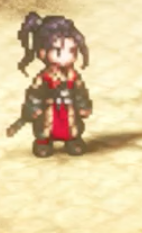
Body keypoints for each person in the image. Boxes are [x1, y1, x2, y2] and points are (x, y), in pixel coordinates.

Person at [8, 12, 92, 157]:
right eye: (58, 51)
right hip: (49, 109)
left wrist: (84, 106)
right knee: (45, 127)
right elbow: (34, 95)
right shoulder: (44, 78)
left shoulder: (73, 76)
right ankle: (43, 142)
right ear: (42, 52)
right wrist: (34, 109)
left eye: (72, 50)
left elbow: (80, 93)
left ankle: (72, 140)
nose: (67, 56)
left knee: (71, 126)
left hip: (68, 109)